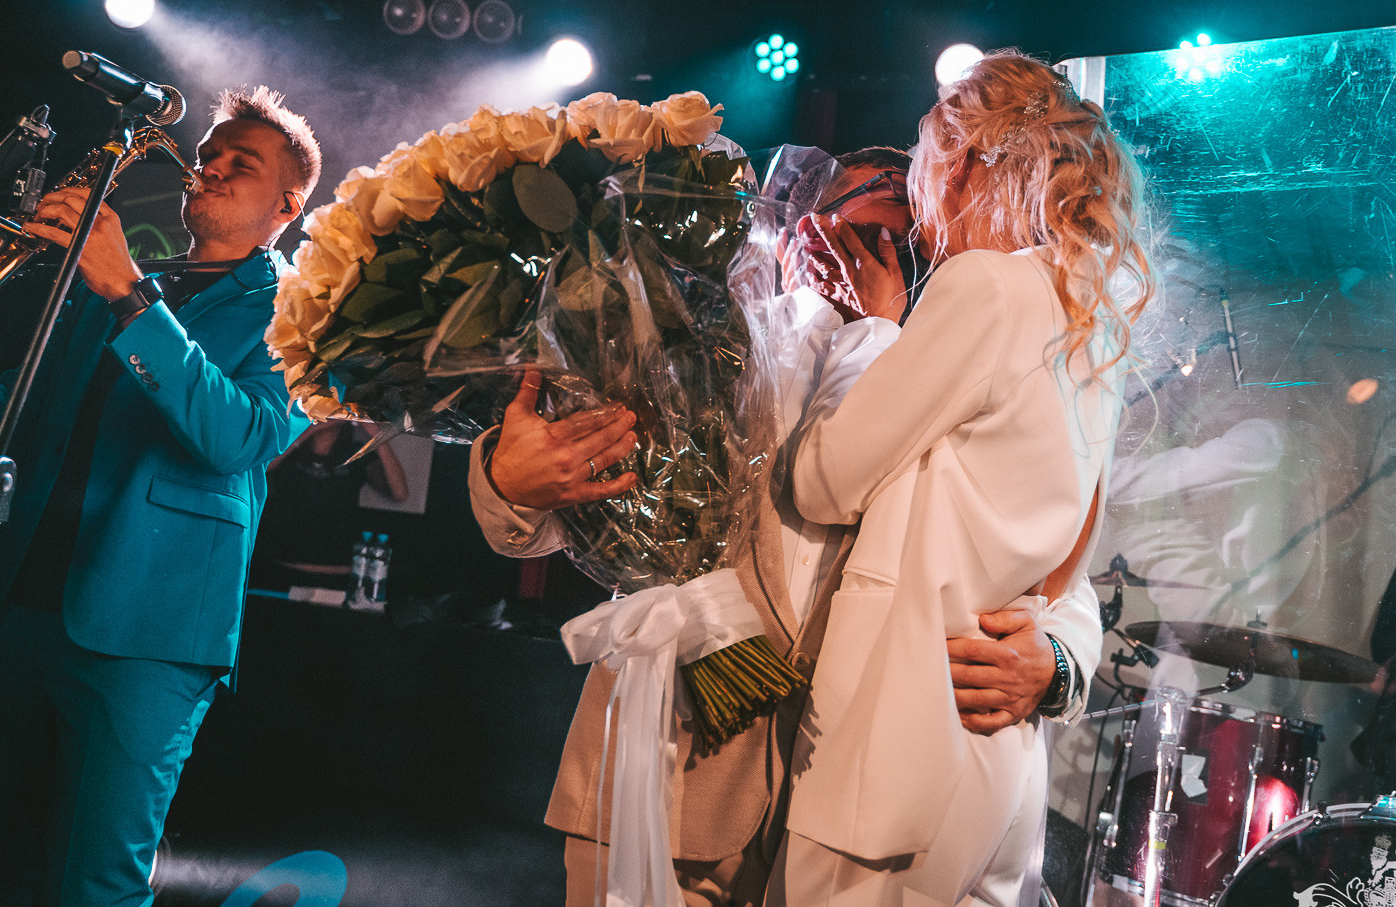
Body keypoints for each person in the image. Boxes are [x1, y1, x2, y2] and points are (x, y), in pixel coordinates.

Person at [468, 145, 1105, 906]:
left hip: (843, 829)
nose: (884, 255)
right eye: (865, 229)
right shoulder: (705, 347)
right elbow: (579, 509)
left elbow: (1056, 560)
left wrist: (1057, 661)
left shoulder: (955, 377)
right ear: (802, 229)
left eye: (910, 240)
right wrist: (509, 484)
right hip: (667, 774)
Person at [0, 86, 319, 906]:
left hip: (149, 635)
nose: (210, 167)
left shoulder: (305, 313)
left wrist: (129, 294)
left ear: (287, 205)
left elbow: (239, 436)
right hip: (20, 603)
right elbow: (33, 418)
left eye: (240, 164)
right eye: (207, 154)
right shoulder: (130, 284)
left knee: (95, 881)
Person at [769, 52, 1153, 906]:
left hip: (894, 755)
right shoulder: (1089, 320)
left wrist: (872, 333)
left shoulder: (984, 287)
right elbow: (1065, 562)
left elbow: (821, 484)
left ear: (967, 162)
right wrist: (1058, 664)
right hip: (992, 761)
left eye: (922, 165)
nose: (916, 207)